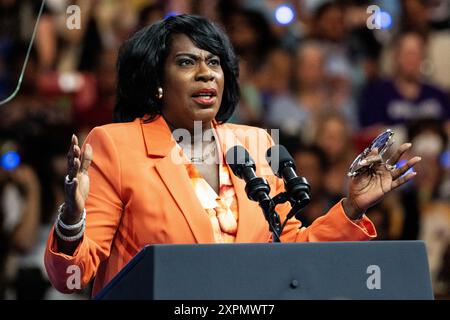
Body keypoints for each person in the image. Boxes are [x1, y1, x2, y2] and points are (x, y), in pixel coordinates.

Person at [44, 14, 421, 297]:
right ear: (156, 81)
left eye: (214, 62)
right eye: (187, 62)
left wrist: (351, 208)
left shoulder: (257, 144)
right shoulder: (116, 145)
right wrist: (73, 220)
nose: (207, 74)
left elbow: (291, 257)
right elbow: (72, 276)